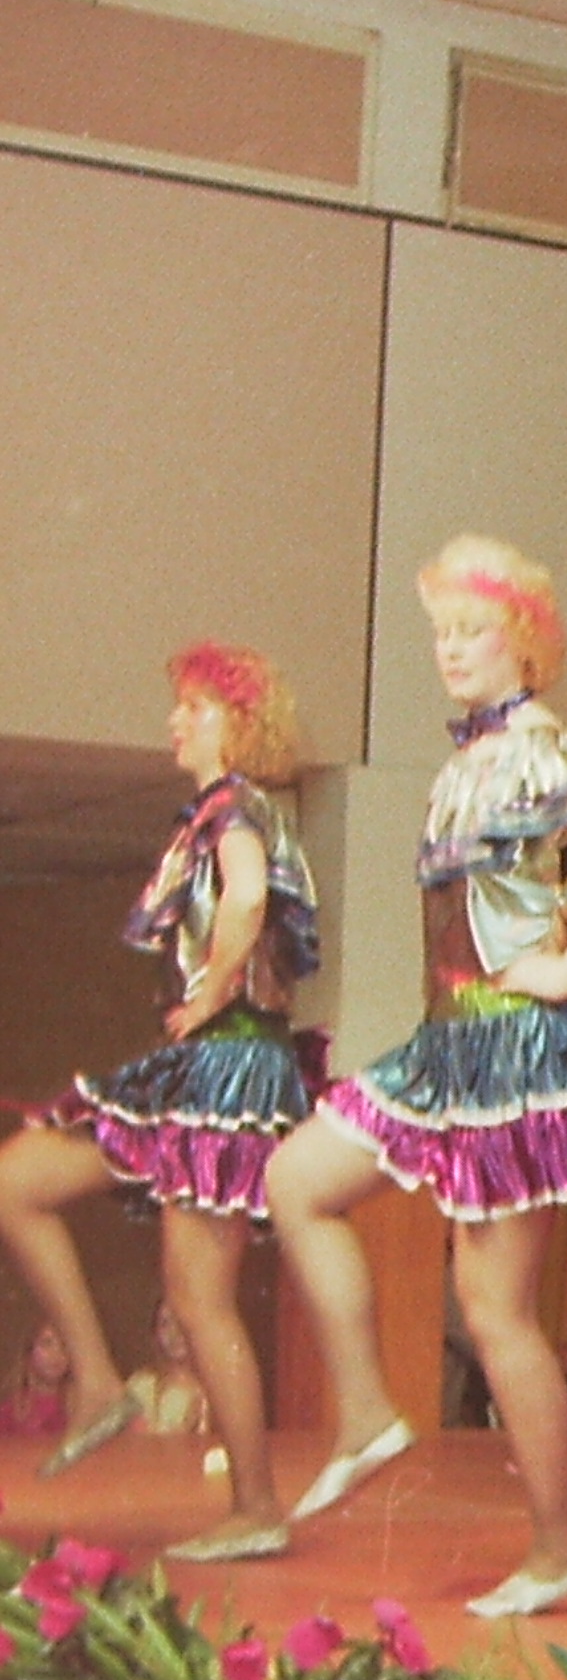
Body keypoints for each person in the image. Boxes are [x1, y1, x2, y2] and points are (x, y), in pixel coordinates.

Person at [266, 537, 567, 1617]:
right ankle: (367, 1413)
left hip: (520, 1050)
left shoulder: (547, 750)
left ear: (524, 640)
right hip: (448, 1042)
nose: (449, 649)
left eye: (471, 629)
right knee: (297, 1180)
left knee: (494, 1308)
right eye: (439, 631)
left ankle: (561, 1546)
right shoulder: (467, 764)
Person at [0, 645, 319, 1557]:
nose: (176, 722)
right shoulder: (220, 814)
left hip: (228, 1067)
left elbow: (247, 899)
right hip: (197, 1068)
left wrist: (213, 987)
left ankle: (256, 1507)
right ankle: (99, 1380)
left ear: (238, 724)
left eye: (195, 708)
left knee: (199, 1296)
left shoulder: (236, 811)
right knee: (18, 1182)